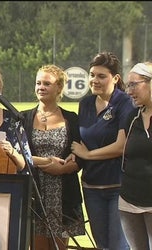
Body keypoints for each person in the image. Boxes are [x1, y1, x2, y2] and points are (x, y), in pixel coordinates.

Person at [13, 64, 85, 250]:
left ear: (59, 88)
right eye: (38, 83)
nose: (41, 87)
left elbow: (79, 154)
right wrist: (45, 163)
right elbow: (17, 153)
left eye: (47, 83)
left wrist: (65, 167)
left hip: (62, 195)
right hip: (34, 193)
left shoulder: (71, 118)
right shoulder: (23, 118)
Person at [71, 51, 133, 250]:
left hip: (119, 187)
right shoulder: (86, 104)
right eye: (92, 75)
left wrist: (87, 155)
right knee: (102, 245)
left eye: (101, 76)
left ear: (115, 78)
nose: (94, 80)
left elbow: (121, 146)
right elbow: (83, 141)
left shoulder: (125, 102)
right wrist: (75, 154)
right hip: (91, 187)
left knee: (119, 246)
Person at [119, 61, 152, 250]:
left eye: (134, 84)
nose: (129, 91)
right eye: (127, 85)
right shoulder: (132, 115)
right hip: (128, 201)